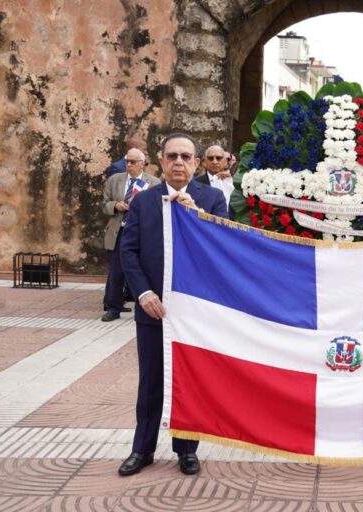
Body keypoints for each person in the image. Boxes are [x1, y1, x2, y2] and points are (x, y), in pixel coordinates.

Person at [118, 133, 229, 477]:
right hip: (154, 308)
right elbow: (129, 251)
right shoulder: (143, 202)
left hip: (194, 312)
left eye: (186, 156)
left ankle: (186, 450)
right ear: (161, 162)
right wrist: (143, 293)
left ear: (196, 163)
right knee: (151, 379)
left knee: (188, 379)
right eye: (172, 156)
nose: (179, 162)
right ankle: (143, 448)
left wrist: (196, 216)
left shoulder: (211, 200)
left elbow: (224, 247)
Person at [102, 148, 160, 322]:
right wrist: (115, 206)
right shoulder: (114, 180)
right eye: (127, 161)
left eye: (133, 162)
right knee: (116, 271)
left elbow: (157, 208)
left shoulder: (154, 182)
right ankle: (113, 307)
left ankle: (145, 304)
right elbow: (104, 204)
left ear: (143, 163)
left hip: (143, 233)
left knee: (145, 269)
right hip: (119, 230)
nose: (129, 164)